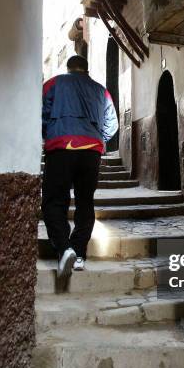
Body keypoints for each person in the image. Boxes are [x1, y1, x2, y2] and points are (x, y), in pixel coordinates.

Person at [42, 55, 118, 279]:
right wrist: (96, 138)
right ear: (86, 70)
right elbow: (111, 123)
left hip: (61, 147)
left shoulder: (54, 84)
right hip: (91, 152)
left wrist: (50, 134)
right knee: (85, 202)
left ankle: (64, 248)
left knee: (54, 201)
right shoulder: (100, 90)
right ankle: (79, 254)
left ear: (68, 69)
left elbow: (40, 111)